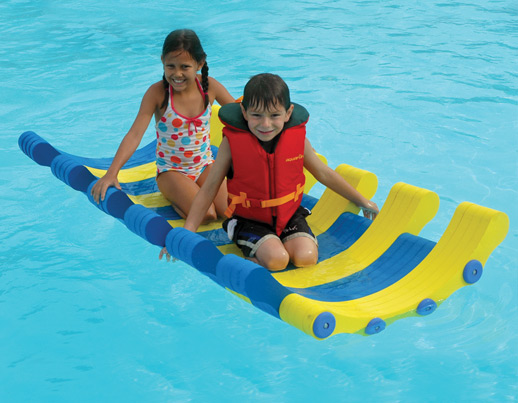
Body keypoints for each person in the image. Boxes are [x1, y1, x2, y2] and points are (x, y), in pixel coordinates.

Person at [167, 73, 379, 271]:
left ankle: (274, 245)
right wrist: (187, 232)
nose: (265, 124)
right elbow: (210, 188)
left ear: (288, 114)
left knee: (306, 258)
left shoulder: (297, 139)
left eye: (275, 115)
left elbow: (323, 173)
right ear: (244, 112)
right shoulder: (232, 143)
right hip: (249, 219)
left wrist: (362, 200)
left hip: (289, 216)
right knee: (277, 261)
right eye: (256, 115)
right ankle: (250, 252)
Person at [91, 29, 234, 222]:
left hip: (204, 164)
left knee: (229, 212)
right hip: (171, 171)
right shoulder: (157, 93)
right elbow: (135, 134)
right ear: (162, 61)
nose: (177, 74)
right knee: (206, 215)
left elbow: (238, 115)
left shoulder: (210, 87)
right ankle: (176, 201)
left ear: (199, 64)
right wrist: (111, 173)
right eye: (171, 66)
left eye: (185, 67)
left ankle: (190, 195)